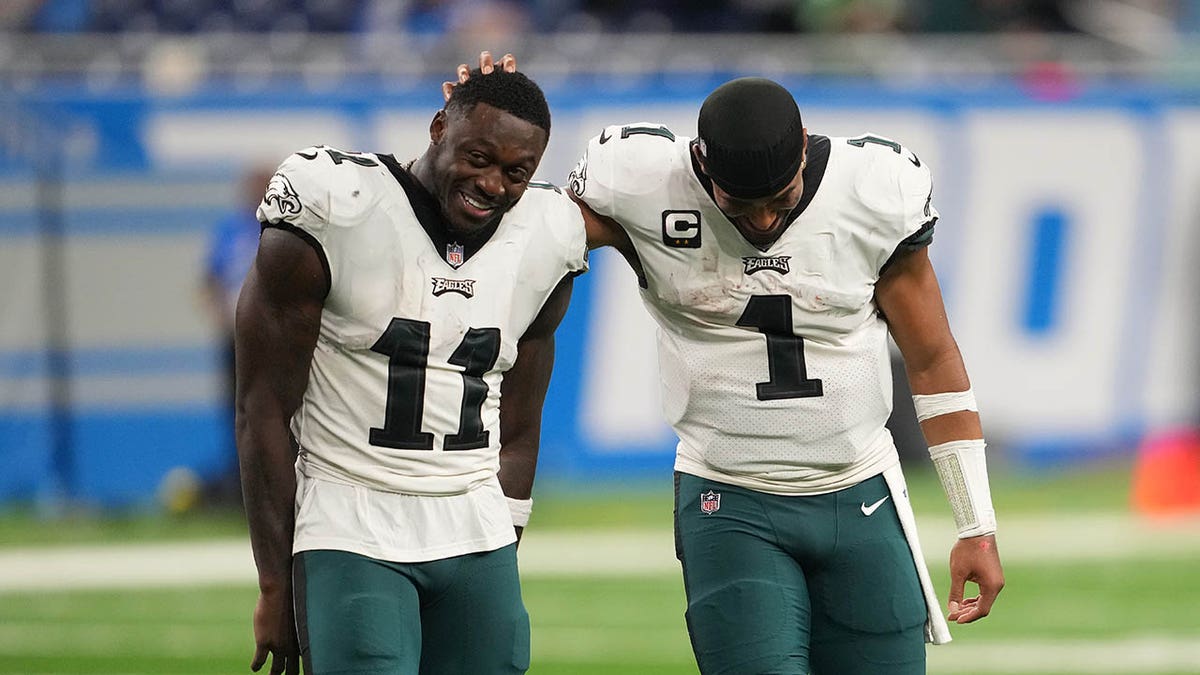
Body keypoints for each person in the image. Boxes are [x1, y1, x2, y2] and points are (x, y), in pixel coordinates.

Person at [566, 77, 1006, 673]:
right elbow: (522, 234)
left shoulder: (872, 192)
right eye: (741, 206)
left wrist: (975, 523)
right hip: (731, 497)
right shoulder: (642, 186)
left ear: (804, 148)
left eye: (781, 197)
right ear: (700, 162)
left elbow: (932, 360)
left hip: (862, 494)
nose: (765, 221)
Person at [235, 54, 587, 675]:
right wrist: (274, 582)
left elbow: (522, 426)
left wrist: (505, 535)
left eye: (517, 172)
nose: (494, 185)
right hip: (351, 516)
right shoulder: (336, 206)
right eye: (478, 157)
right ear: (436, 128)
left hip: (475, 524)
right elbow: (262, 410)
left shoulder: (548, 234)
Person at [199, 165, 274, 508]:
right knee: (239, 408)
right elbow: (209, 279)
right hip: (237, 336)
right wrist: (221, 318)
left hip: (276, 335)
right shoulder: (230, 228)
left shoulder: (282, 226)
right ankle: (242, 487)